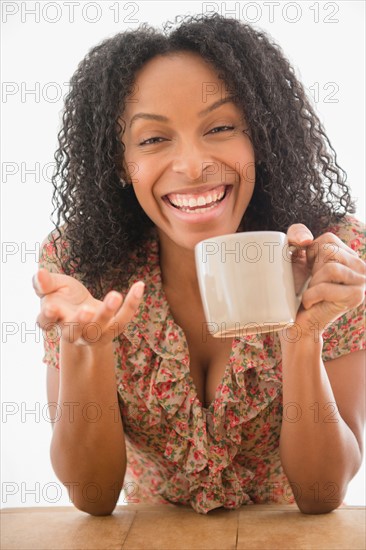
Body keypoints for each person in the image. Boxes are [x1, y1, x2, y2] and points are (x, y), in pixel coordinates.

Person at [33, 13, 365, 516]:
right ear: (119, 163)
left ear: (262, 138)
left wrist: (301, 339)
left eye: (221, 127)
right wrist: (87, 351)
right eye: (152, 139)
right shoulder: (81, 263)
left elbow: (322, 494)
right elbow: (92, 496)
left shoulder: (331, 256)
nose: (193, 165)